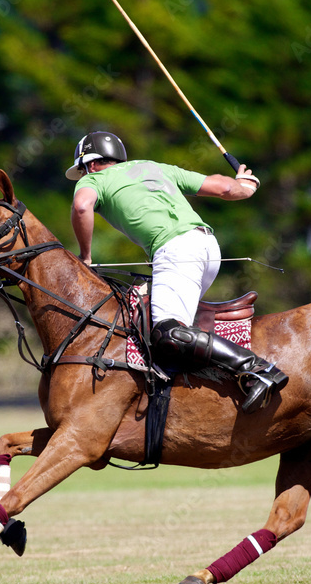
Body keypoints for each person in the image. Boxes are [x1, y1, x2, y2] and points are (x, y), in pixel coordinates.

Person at [67, 131, 288, 413]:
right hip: (208, 247)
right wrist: (245, 185)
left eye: (83, 169)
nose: (83, 174)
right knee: (155, 323)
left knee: (167, 333)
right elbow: (224, 188)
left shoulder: (93, 180)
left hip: (176, 250)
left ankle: (257, 369)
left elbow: (82, 206)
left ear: (90, 164)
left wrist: (85, 256)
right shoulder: (153, 166)